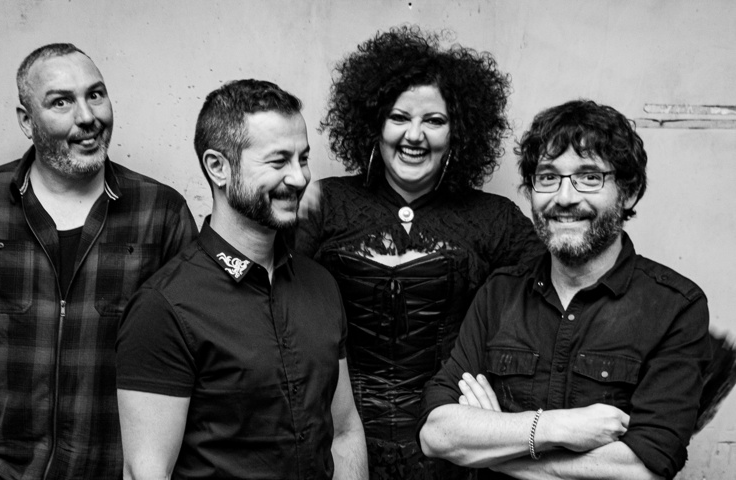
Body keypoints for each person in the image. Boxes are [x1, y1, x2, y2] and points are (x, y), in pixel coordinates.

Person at [0, 43, 197, 480]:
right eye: (61, 102)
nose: (87, 117)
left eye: (95, 95)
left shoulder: (161, 213)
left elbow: (189, 356)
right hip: (6, 472)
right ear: (27, 121)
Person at [293, 26, 544, 478]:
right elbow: (266, 301)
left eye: (434, 120)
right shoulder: (324, 203)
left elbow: (554, 303)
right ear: (374, 124)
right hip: (333, 443)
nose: (415, 135)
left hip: (452, 451)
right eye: (399, 117)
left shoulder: (495, 218)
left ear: (458, 131)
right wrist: (284, 210)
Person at [418, 100, 712, 480]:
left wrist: (490, 448)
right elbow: (437, 434)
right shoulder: (499, 292)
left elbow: (644, 467)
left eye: (589, 177)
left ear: (629, 192)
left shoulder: (676, 307)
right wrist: (555, 428)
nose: (565, 197)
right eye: (547, 177)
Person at [115, 79, 368, 480]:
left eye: (303, 158)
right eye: (278, 161)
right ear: (218, 167)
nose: (299, 178)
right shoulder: (164, 307)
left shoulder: (321, 284)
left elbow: (344, 430)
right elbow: (146, 472)